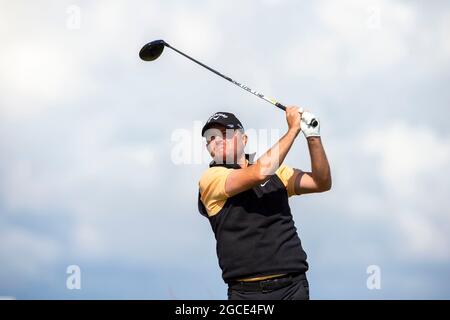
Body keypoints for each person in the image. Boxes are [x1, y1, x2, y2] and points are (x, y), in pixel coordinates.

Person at [197, 106, 332, 300]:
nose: (216, 140)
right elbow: (260, 173)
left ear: (244, 140)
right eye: (210, 138)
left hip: (292, 288)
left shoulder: (278, 173)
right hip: (245, 294)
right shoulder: (211, 178)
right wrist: (293, 130)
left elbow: (321, 182)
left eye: (224, 133)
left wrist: (312, 136)